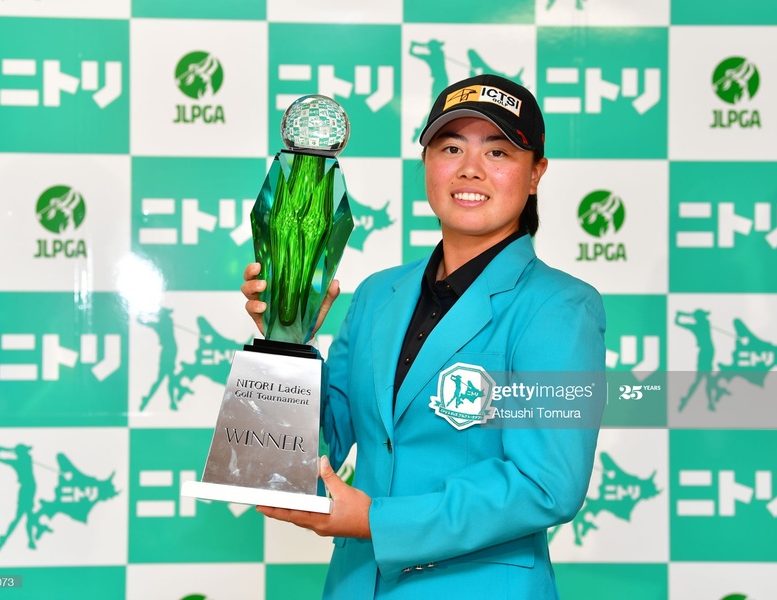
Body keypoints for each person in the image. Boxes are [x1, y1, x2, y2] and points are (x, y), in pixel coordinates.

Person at [242, 74, 605, 599]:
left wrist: (377, 520)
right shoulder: (376, 294)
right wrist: (286, 337)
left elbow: (547, 484)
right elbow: (311, 447)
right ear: (426, 164)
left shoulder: (560, 307)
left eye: (499, 152)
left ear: (535, 174)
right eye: (451, 147)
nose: (470, 169)